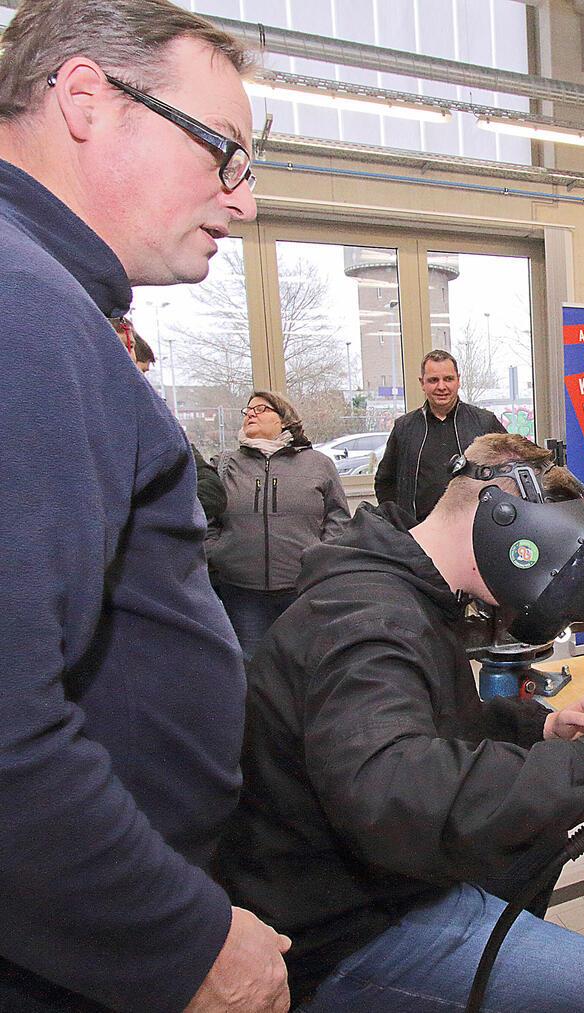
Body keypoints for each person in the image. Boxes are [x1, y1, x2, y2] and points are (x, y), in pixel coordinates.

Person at [0, 1, 295, 1010]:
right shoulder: (25, 309)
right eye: (225, 151)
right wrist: (181, 940)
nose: (242, 200)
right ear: (86, 98)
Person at [216, 433, 584, 1011]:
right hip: (339, 923)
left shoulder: (406, 589)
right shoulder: (368, 618)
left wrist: (535, 730)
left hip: (367, 875)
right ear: (508, 524)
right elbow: (389, 783)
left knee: (535, 840)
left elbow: (426, 725)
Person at [207, 390, 349, 660]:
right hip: (242, 593)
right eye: (248, 410)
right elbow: (206, 517)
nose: (251, 413)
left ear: (283, 419)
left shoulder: (318, 464)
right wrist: (218, 552)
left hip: (303, 589)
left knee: (302, 663)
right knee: (252, 666)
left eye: (261, 409)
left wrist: (321, 556)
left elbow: (338, 517)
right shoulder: (225, 465)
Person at [375, 349, 508, 522]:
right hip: (418, 531)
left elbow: (509, 473)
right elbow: (385, 482)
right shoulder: (404, 428)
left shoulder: (485, 422)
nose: (441, 387)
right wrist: (398, 522)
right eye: (433, 380)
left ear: (458, 380)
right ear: (422, 383)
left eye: (448, 379)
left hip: (473, 529)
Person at [121, 315, 228, 524]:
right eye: (140, 372)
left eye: (144, 373)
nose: (143, 383)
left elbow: (212, 489)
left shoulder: (159, 425)